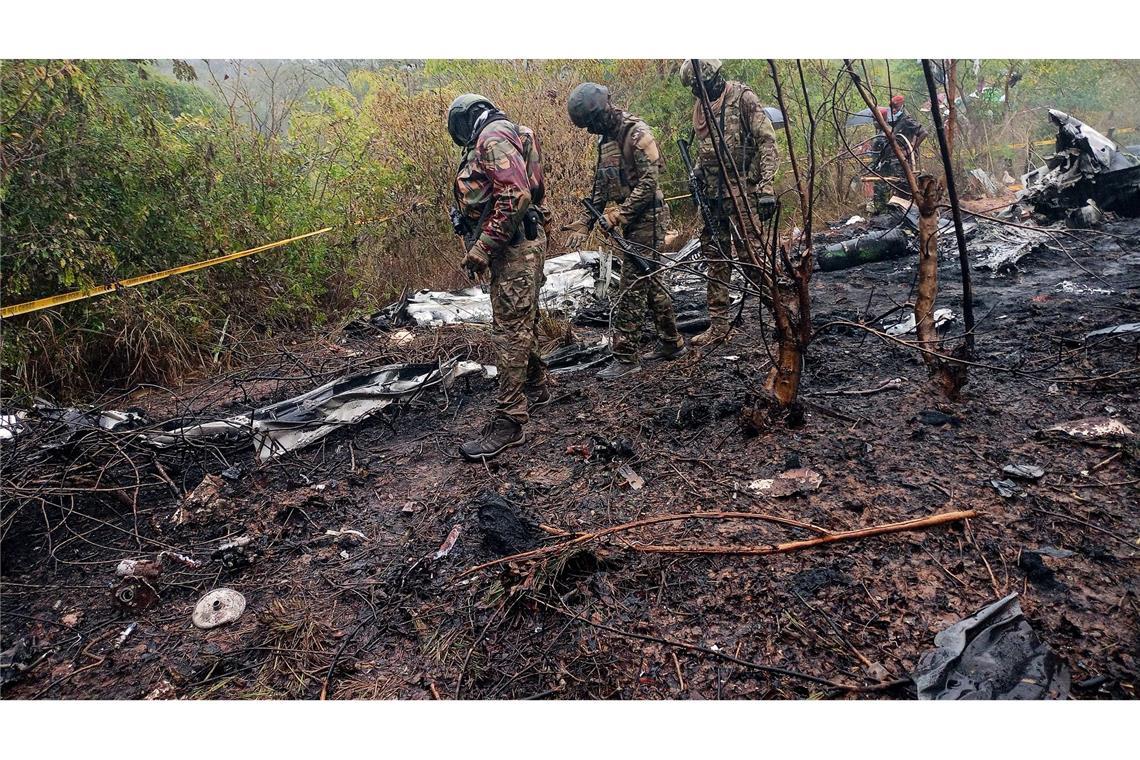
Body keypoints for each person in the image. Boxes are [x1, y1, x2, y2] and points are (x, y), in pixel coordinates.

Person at [448, 93, 549, 461]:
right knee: (522, 323)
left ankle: (510, 422)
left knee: (509, 330)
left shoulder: (491, 138)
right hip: (522, 243)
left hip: (514, 247)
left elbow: (516, 194)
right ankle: (536, 385)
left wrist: (482, 247)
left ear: (465, 120)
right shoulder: (512, 132)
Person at [562, 82, 686, 380]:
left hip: (649, 217)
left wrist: (619, 214)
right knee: (653, 281)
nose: (590, 130)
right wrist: (585, 220)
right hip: (630, 220)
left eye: (591, 123)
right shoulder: (605, 141)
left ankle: (626, 356)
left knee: (632, 285)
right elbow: (600, 185)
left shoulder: (638, 132)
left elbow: (649, 184)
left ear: (603, 111)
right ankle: (672, 343)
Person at [678, 58, 779, 346]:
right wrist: (696, 172)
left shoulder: (742, 98)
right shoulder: (701, 109)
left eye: (700, 86)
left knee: (752, 258)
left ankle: (781, 314)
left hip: (741, 193)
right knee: (716, 259)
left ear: (713, 79)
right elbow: (705, 149)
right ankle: (719, 326)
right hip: (712, 197)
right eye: (694, 89)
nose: (698, 93)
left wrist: (766, 187)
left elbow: (767, 141)